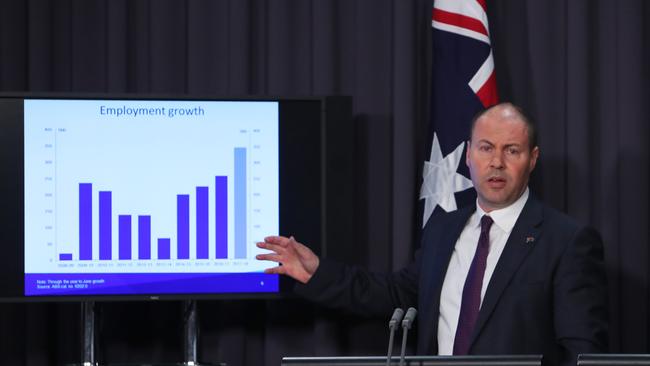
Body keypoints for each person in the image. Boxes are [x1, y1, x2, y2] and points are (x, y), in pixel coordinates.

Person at [256, 102, 608, 366]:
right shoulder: (444, 229)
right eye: (486, 148)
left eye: (511, 150)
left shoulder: (567, 241)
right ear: (469, 156)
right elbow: (396, 294)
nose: (496, 162)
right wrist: (318, 273)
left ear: (532, 159)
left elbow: (584, 353)